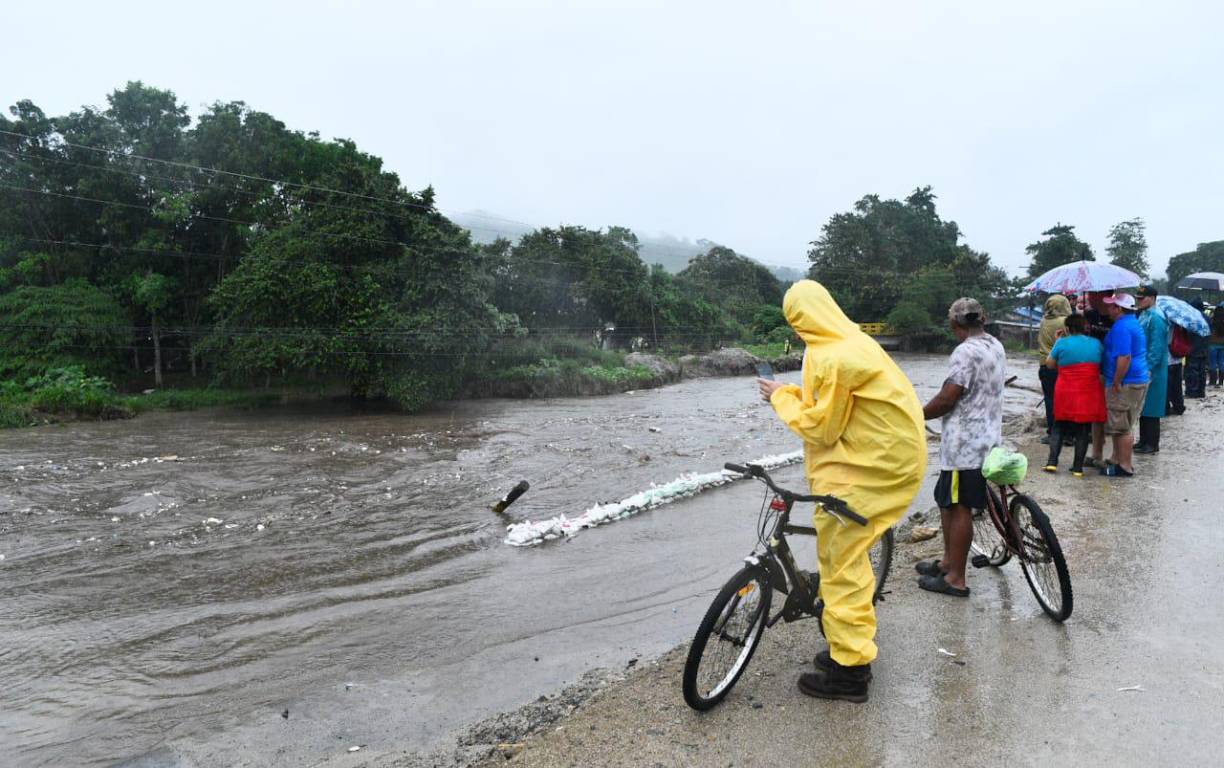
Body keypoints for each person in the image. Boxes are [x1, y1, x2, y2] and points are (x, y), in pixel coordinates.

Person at [758, 280, 926, 703]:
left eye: (794, 322)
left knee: (841, 564)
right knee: (846, 558)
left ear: (801, 318)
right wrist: (791, 392)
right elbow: (830, 408)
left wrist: (781, 398)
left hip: (869, 468)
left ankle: (850, 672)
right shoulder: (849, 341)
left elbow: (821, 426)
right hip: (881, 459)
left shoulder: (831, 356)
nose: (796, 331)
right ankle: (846, 648)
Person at [916, 298, 1006, 598]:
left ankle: (956, 577)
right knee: (946, 499)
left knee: (959, 507)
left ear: (955, 325)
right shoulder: (994, 344)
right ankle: (947, 561)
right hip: (987, 437)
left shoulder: (964, 351)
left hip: (964, 445)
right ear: (983, 318)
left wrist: (915, 415)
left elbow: (948, 397)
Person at [1042, 314, 1106, 476]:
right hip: (1088, 390)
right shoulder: (1096, 343)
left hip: (1066, 390)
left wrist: (1057, 342)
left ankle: (1052, 463)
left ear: (1068, 328)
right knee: (1083, 429)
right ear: (1085, 327)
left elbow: (1049, 364)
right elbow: (1101, 365)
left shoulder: (1062, 343)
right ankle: (1077, 468)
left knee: (1059, 425)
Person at [1099, 293, 1150, 476]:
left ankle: (1124, 466)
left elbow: (1124, 357)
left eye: (1111, 306)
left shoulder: (1122, 327)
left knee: (1122, 426)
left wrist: (1117, 381)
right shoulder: (1132, 322)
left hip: (1126, 382)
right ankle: (1116, 459)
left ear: (1119, 308)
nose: (1108, 309)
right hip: (1137, 378)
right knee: (1123, 422)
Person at [1135, 286, 1169, 454]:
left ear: (1152, 298)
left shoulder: (1156, 318)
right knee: (1143, 405)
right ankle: (1143, 440)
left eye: (1142, 298)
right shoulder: (1143, 315)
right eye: (1138, 298)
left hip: (1153, 369)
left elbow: (1156, 347)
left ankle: (1152, 443)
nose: (1138, 301)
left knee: (1152, 407)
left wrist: (1148, 367)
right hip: (1142, 366)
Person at [1082, 290, 1114, 464]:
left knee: (1112, 413)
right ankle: (1096, 452)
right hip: (1092, 368)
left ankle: (1115, 456)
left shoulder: (1115, 315)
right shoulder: (1089, 314)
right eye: (1090, 295)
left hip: (1110, 369)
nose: (1091, 298)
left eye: (1095, 295)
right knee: (1095, 413)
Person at [1037, 295, 1071, 443]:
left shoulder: (1043, 321)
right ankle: (1069, 435)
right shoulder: (1066, 322)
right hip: (1064, 366)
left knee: (1050, 401)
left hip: (1045, 365)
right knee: (1067, 400)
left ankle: (1053, 433)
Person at [1185, 302, 1210, 399]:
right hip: (1204, 348)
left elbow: (1189, 333)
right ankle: (1201, 391)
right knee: (1202, 371)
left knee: (1193, 370)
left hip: (1193, 348)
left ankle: (1192, 392)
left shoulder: (1193, 317)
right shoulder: (1207, 317)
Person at [1210, 307, 1224, 388]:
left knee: (1213, 363)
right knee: (1222, 363)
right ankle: (1221, 381)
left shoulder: (1212, 321)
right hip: (1222, 345)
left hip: (1212, 344)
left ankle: (1213, 381)